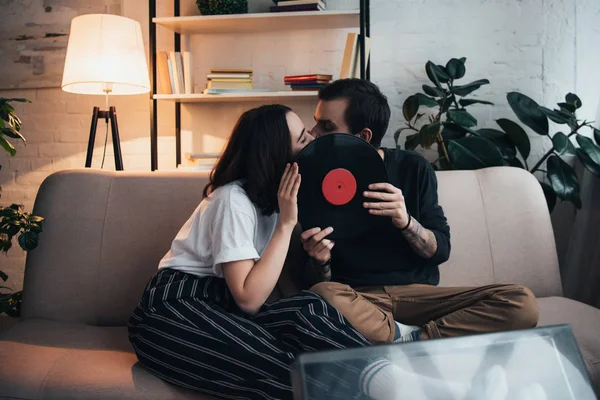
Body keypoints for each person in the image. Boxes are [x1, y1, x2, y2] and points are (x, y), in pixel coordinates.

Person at [127, 105, 373, 400]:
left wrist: (318, 259)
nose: (313, 144)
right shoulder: (233, 199)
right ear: (278, 156)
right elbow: (248, 299)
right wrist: (287, 224)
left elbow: (285, 294)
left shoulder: (272, 205)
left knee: (307, 307)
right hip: (173, 311)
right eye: (303, 140)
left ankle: (387, 374)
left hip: (223, 307)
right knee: (287, 370)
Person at [302, 78, 540, 345]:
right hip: (359, 300)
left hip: (421, 298)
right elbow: (314, 280)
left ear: (362, 136)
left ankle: (409, 339)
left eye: (326, 126)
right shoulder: (313, 178)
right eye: (315, 122)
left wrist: (406, 222)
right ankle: (414, 339)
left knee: (521, 302)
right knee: (321, 294)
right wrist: (320, 261)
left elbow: (440, 251)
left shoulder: (413, 167)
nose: (312, 133)